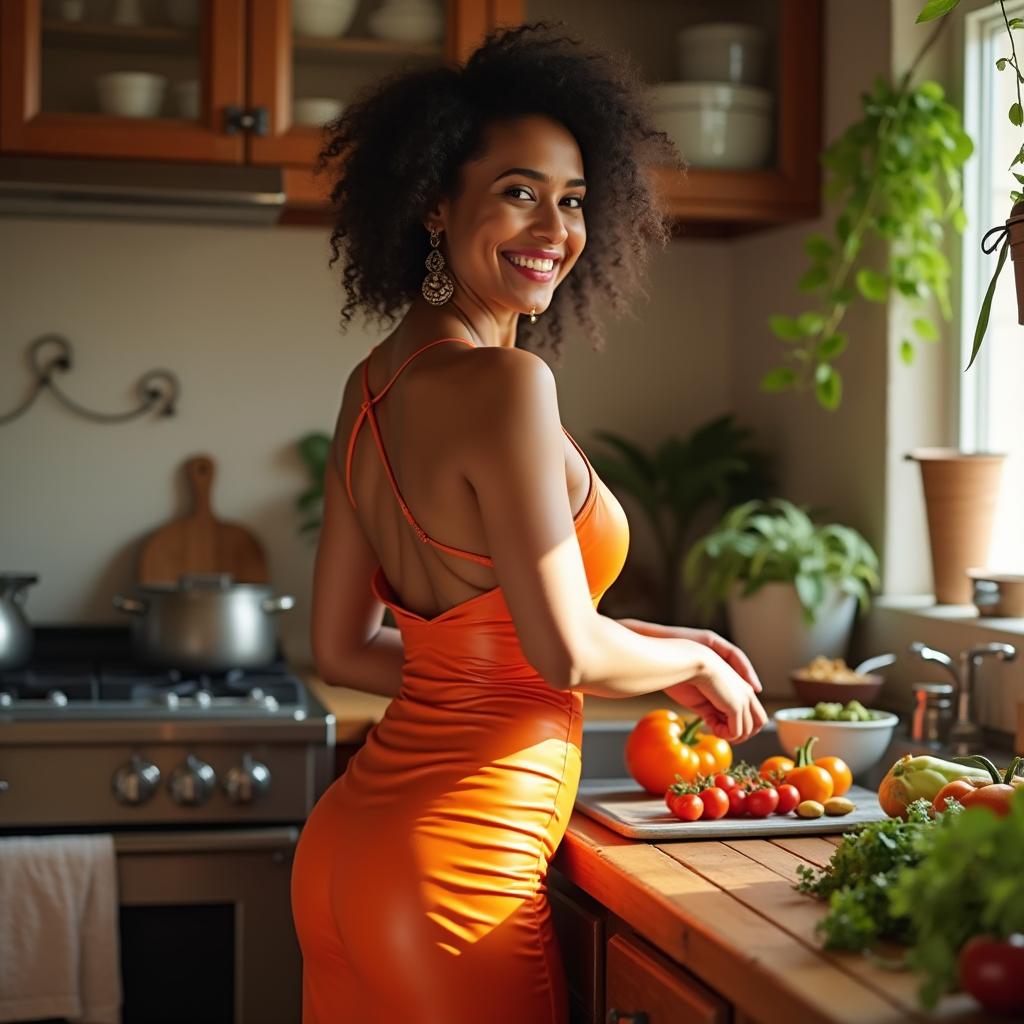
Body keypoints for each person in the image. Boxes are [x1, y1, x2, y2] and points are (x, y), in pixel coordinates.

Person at [290, 21, 767, 1024]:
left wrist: (646, 642)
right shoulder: (509, 384)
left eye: (573, 198)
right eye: (517, 191)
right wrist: (695, 664)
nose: (553, 226)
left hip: (344, 859)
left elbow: (341, 645)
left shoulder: (370, 385)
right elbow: (559, 652)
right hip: (457, 869)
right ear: (432, 201)